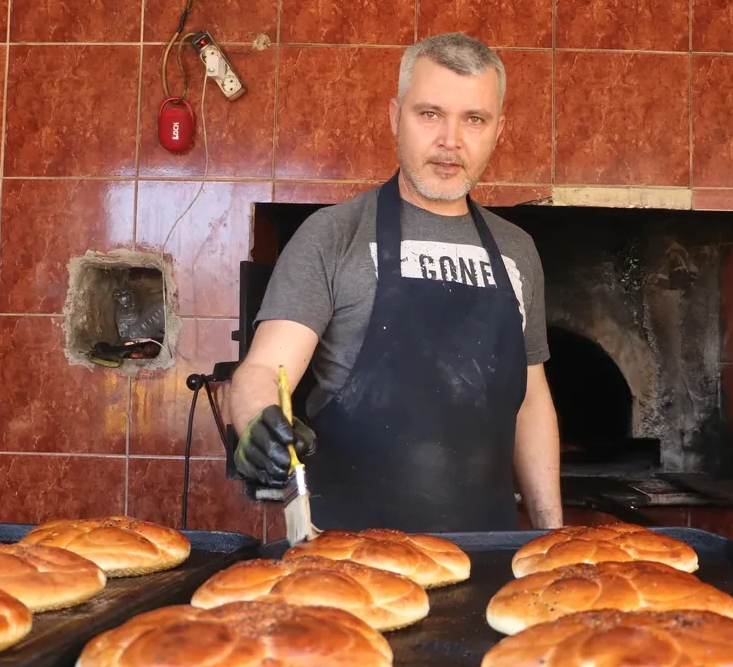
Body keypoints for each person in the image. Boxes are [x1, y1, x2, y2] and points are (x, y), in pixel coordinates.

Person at [229, 32, 562, 533]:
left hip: (488, 555)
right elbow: (261, 372)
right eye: (430, 114)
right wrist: (258, 423)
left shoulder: (517, 251)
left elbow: (531, 399)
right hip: (351, 560)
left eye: (474, 119)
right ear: (394, 117)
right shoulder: (333, 235)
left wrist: (549, 534)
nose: (451, 140)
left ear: (498, 130)